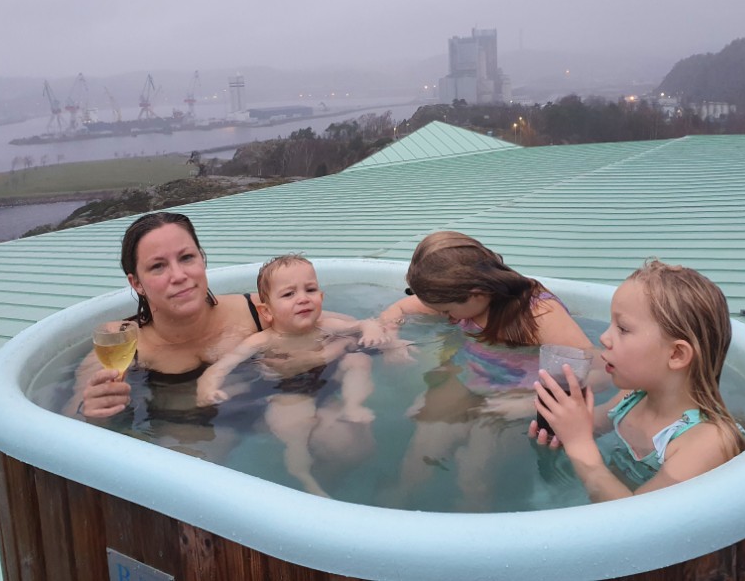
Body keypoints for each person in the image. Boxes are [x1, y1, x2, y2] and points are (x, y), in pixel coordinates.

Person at [377, 230, 597, 509]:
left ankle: (473, 519)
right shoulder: (459, 296)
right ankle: (399, 503)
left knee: (474, 471)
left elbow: (592, 370)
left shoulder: (538, 314)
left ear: (477, 294)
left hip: (521, 394)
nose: (445, 316)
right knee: (422, 454)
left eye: (447, 311)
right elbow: (397, 310)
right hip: (469, 380)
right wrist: (392, 341)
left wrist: (527, 402)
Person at [68, 212, 344, 419]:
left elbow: (353, 329)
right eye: (158, 266)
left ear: (202, 259)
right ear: (136, 283)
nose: (179, 275)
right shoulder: (121, 343)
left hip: (275, 407)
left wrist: (314, 358)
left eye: (186, 258)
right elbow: (69, 420)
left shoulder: (256, 309)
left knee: (342, 438)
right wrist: (90, 410)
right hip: (187, 424)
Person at [531, 259, 745, 502]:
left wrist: (579, 446)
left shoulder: (707, 441)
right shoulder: (631, 399)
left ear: (676, 354)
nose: (604, 338)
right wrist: (559, 431)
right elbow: (585, 425)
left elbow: (635, 518)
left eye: (623, 329)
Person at [194, 254, 382, 496]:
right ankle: (303, 475)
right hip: (286, 392)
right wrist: (208, 385)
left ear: (321, 297)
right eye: (288, 294)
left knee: (358, 360)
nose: (303, 298)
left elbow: (362, 325)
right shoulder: (263, 340)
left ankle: (353, 406)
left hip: (323, 382)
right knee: (295, 430)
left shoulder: (326, 326)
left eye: (310, 290)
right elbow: (223, 365)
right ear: (267, 311)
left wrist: (371, 329)